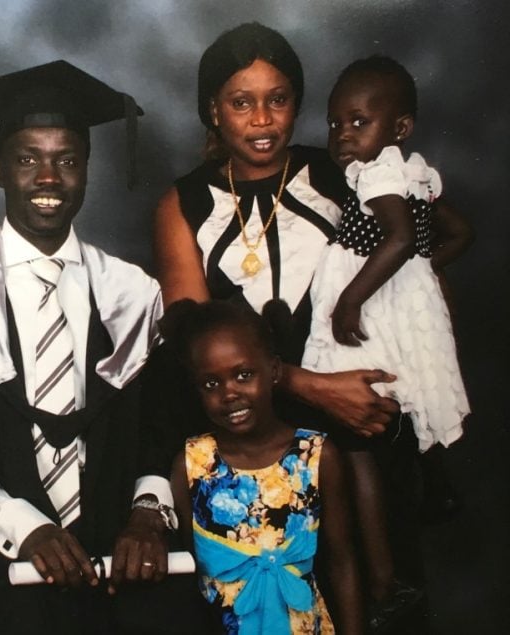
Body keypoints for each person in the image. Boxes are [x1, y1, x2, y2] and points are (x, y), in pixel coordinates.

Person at [0, 60, 206, 634]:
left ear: (87, 171)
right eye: (27, 159)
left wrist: (147, 513)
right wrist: (23, 525)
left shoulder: (133, 294)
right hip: (0, 556)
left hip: (122, 556)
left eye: (67, 160)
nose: (49, 178)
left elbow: (160, 428)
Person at [151, 22, 405, 612]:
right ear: (212, 110)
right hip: (249, 448)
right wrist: (310, 386)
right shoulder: (182, 203)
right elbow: (188, 338)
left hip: (357, 427)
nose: (262, 120)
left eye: (278, 100)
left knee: (371, 592)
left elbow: (403, 278)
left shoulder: (345, 178)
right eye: (242, 103)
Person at [302, 55, 472, 515]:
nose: (343, 135)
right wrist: (423, 273)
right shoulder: (413, 174)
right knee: (416, 385)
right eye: (335, 123)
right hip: (401, 294)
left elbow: (397, 238)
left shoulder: (376, 174)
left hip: (371, 295)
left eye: (359, 121)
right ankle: (437, 485)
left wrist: (350, 300)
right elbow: (459, 232)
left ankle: (381, 499)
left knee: (368, 393)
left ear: (400, 128)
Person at [168, 299, 363, 634]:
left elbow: (343, 563)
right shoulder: (192, 462)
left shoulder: (315, 455)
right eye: (211, 384)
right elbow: (190, 573)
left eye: (243, 375)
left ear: (273, 371)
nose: (229, 393)